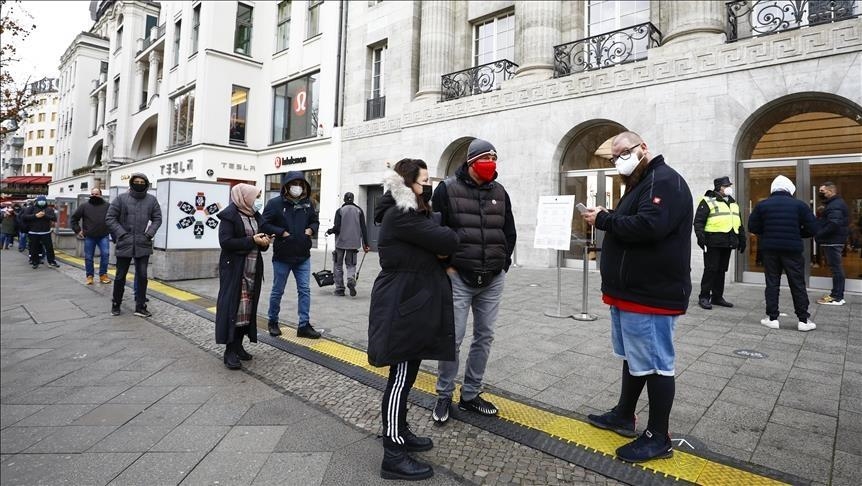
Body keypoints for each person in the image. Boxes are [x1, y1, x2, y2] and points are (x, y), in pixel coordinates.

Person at [582, 131, 692, 463]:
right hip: (632, 293)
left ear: (643, 148)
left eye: (623, 153)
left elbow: (649, 226)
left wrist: (603, 219)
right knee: (635, 357)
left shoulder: (663, 181)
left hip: (652, 293)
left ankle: (658, 437)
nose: (619, 160)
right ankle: (624, 415)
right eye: (614, 157)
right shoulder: (643, 182)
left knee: (657, 364)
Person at [368, 159, 459, 481]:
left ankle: (401, 431)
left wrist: (439, 241)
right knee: (400, 377)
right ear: (408, 184)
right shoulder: (402, 215)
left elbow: (441, 241)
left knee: (406, 374)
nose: (428, 185)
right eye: (424, 180)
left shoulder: (411, 214)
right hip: (403, 303)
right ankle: (393, 452)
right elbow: (448, 241)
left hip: (411, 301)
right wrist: (441, 240)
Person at [431, 138, 516, 424]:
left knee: (485, 336)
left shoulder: (500, 192)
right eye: (486, 158)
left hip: (492, 278)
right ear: (471, 161)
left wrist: (502, 264)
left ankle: (470, 394)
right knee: (452, 338)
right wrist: (446, 266)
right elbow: (435, 230)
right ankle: (444, 395)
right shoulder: (446, 189)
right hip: (459, 277)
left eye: (495, 157)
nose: (491, 162)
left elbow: (509, 231)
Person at [748, 175, 818, 331]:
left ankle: (772, 318)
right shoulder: (800, 206)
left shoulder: (762, 205)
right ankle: (803, 320)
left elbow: (752, 226)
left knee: (772, 283)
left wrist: (767, 233)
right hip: (792, 250)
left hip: (770, 249)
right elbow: (813, 228)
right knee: (797, 283)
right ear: (789, 189)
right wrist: (798, 234)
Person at [215, 184, 271, 370]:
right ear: (244, 196)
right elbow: (226, 242)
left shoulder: (254, 215)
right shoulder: (229, 216)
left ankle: (239, 345)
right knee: (233, 307)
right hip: (235, 270)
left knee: (246, 309)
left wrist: (264, 242)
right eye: (255, 197)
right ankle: (229, 350)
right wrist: (251, 240)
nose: (257, 201)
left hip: (252, 269)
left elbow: (259, 241)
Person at [261, 171, 321, 339]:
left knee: (304, 290)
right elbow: (264, 224)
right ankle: (273, 321)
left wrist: (312, 229)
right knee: (277, 290)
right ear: (287, 186)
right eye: (295, 184)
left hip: (303, 255)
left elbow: (314, 220)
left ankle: (304, 325)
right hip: (282, 256)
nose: (298, 187)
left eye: (301, 184)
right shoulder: (274, 204)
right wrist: (282, 233)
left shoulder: (308, 203)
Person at [106, 173, 162, 318]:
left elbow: (157, 218)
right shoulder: (121, 199)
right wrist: (122, 234)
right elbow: (110, 218)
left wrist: (149, 233)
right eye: (136, 181)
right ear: (131, 183)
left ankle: (140, 305)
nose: (139, 183)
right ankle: (116, 304)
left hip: (143, 242)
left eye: (141, 182)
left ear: (146, 183)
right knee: (120, 276)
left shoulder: (151, 200)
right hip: (125, 242)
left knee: (142, 276)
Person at [693, 176, 746, 310]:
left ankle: (717, 297)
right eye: (726, 186)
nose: (729, 188)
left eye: (729, 185)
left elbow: (738, 223)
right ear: (718, 188)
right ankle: (704, 297)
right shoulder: (708, 201)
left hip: (728, 242)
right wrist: (701, 238)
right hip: (712, 242)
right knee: (711, 270)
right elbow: (698, 221)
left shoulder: (733, 203)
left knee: (721, 270)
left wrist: (742, 238)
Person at [325, 192, 370, 296]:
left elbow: (337, 228)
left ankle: (340, 289)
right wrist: (366, 244)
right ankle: (350, 279)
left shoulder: (340, 211)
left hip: (340, 242)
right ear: (353, 199)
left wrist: (330, 231)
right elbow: (364, 228)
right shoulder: (359, 211)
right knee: (351, 264)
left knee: (338, 265)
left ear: (344, 199)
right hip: (354, 243)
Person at [814, 181, 849, 306]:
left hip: (833, 241)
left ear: (831, 191)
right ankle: (836, 294)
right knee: (835, 268)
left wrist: (819, 234)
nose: (820, 193)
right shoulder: (833, 204)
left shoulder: (835, 205)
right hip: (832, 240)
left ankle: (837, 296)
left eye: (822, 191)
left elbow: (833, 224)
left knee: (836, 269)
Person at [71, 187, 112, 285]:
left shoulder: (108, 206)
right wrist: (78, 230)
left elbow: (113, 218)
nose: (94, 196)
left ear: (100, 195)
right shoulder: (84, 206)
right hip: (89, 236)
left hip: (103, 235)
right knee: (89, 257)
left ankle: (103, 275)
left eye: (96, 194)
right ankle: (89, 276)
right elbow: (74, 219)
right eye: (92, 194)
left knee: (105, 255)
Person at [22, 196, 59, 269]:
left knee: (49, 248)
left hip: (45, 232)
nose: (42, 202)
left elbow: (54, 218)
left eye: (43, 200)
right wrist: (35, 216)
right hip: (33, 232)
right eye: (40, 200)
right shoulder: (31, 208)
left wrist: (45, 215)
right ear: (37, 201)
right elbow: (24, 217)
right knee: (33, 248)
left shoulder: (49, 209)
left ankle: (51, 261)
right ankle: (35, 262)